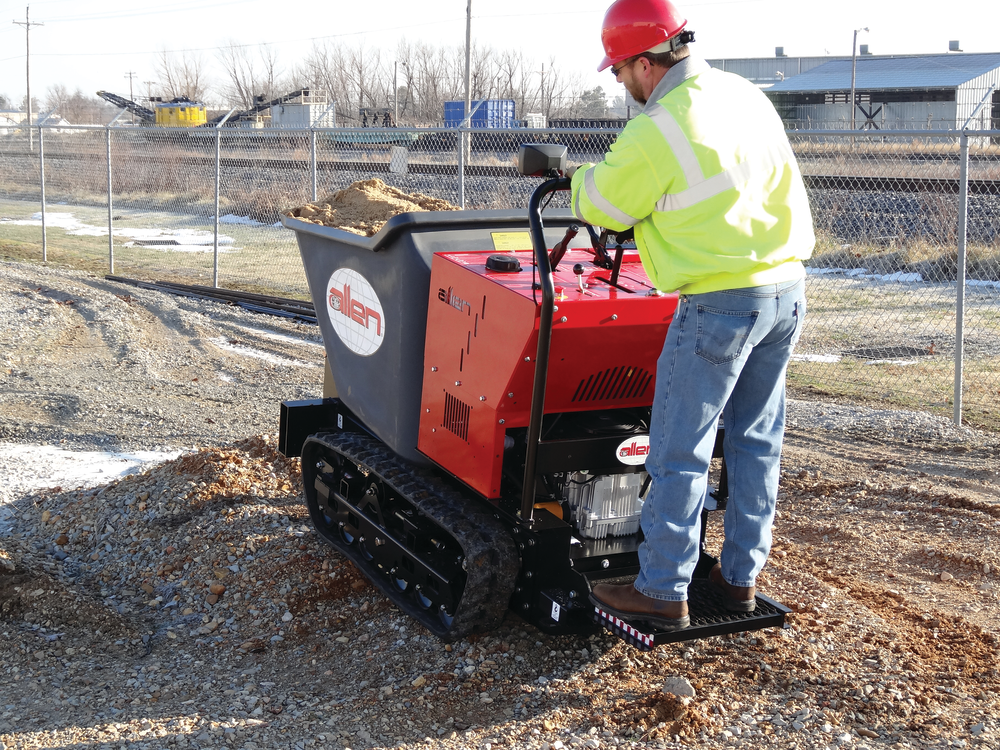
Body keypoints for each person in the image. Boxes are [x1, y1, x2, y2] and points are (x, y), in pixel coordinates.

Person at [573, 0, 815, 631]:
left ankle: (661, 589)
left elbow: (603, 207)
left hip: (718, 304)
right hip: (784, 290)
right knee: (755, 442)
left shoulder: (659, 126)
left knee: (680, 449)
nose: (620, 82)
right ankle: (738, 580)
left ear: (647, 62)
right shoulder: (743, 94)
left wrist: (569, 177)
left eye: (620, 70)